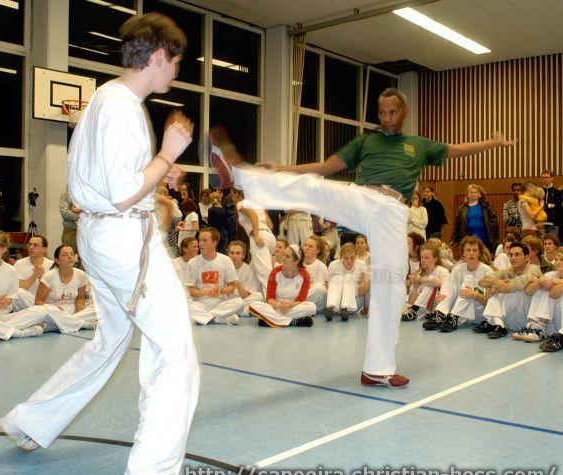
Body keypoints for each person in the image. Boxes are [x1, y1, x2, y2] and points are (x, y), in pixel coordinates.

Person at [0, 13, 200, 475]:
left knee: (110, 340)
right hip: (125, 239)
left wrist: (158, 171)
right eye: (175, 62)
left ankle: (31, 421)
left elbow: (114, 180)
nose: (176, 71)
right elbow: (124, 192)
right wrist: (167, 154)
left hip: (101, 235)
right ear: (158, 56)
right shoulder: (123, 108)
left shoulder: (103, 100)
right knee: (174, 353)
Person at [211, 87, 514, 387]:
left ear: (404, 112)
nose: (387, 118)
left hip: (392, 211)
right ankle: (241, 175)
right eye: (382, 113)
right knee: (316, 188)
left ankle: (377, 369)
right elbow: (325, 167)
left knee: (390, 286)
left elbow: (455, 149)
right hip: (362, 198)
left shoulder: (418, 145)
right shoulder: (367, 141)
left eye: (392, 112)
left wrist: (492, 143)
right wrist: (281, 168)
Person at [422, 236, 493, 332]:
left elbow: (491, 301)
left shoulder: (487, 271)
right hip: (460, 311)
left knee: (469, 280)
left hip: (479, 312)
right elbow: (452, 293)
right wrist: (443, 297)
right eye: (468, 250)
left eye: (475, 250)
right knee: (448, 279)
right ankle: (440, 313)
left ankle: (453, 317)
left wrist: (475, 294)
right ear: (463, 253)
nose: (471, 253)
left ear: (479, 253)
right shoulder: (457, 270)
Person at [476, 242, 541, 339]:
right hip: (509, 319)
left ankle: (495, 323)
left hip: (528, 319)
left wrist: (493, 289)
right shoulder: (507, 271)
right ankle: (499, 325)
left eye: (517, 254)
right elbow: (481, 282)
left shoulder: (533, 269)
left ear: (527, 257)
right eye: (511, 255)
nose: (513, 258)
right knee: (490, 291)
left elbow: (517, 284)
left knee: (515, 290)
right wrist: (495, 282)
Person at [186, 227, 244, 325]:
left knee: (240, 302)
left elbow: (232, 287)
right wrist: (207, 292)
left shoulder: (226, 260)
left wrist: (221, 290)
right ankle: (219, 319)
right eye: (200, 240)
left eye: (205, 240)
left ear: (214, 243)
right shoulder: (192, 262)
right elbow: (191, 291)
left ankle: (206, 318)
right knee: (185, 304)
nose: (201, 244)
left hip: (221, 303)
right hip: (201, 304)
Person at [249, 244, 316, 327]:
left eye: (287, 256)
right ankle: (292, 321)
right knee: (253, 305)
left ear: (297, 261)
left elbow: (301, 300)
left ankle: (272, 319)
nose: (283, 258)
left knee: (312, 307)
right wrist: (279, 306)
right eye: (284, 254)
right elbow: (269, 298)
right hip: (276, 307)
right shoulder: (275, 272)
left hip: (292, 307)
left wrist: (289, 305)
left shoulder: (305, 275)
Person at [36, 245, 97, 333]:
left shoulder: (81, 274)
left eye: (72, 254)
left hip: (73, 312)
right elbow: (38, 301)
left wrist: (79, 308)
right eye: (65, 255)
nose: (70, 257)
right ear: (57, 260)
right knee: (44, 310)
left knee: (96, 309)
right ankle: (82, 324)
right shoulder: (49, 276)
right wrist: (54, 307)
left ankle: (59, 325)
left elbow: (80, 298)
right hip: (55, 312)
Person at [232, 187, 276, 293]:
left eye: (232, 195)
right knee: (253, 270)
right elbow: (270, 225)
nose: (232, 197)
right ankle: (253, 294)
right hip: (269, 236)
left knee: (264, 273)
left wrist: (256, 235)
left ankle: (271, 301)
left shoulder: (241, 203)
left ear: (237, 194)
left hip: (259, 236)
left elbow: (254, 216)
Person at [401, 243, 450, 321]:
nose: (423, 260)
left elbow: (442, 283)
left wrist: (422, 280)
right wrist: (415, 287)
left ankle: (415, 311)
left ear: (435, 259)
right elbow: (411, 302)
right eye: (422, 257)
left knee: (431, 280)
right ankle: (414, 312)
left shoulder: (442, 271)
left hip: (439, 306)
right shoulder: (419, 274)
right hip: (423, 310)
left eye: (427, 258)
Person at [325, 242, 369, 321]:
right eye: (346, 258)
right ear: (341, 257)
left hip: (354, 300)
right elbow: (328, 286)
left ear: (356, 256)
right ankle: (331, 307)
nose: (349, 261)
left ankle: (345, 308)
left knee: (348, 277)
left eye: (352, 258)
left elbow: (362, 289)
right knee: (337, 278)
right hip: (337, 301)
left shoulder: (361, 264)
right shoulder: (333, 264)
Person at [451, 184, 499, 253]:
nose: (473, 194)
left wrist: (495, 236)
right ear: (467, 195)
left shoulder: (486, 207)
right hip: (468, 240)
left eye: (475, 192)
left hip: (485, 240)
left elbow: (494, 222)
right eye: (471, 192)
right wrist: (454, 239)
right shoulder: (461, 209)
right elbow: (457, 225)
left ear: (479, 194)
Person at [13, 235, 54, 310]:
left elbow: (54, 290)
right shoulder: (19, 263)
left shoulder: (52, 265)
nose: (31, 247)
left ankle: (43, 310)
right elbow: (18, 289)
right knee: (18, 292)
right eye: (29, 244)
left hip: (44, 301)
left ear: (44, 249)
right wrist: (34, 276)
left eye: (35, 245)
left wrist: (42, 278)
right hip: (26, 303)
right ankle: (45, 310)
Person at [227, 240, 264, 313]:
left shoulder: (249, 270)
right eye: (232, 253)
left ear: (243, 255)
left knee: (259, 296)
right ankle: (239, 311)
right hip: (227, 301)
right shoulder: (223, 267)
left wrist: (238, 283)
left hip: (242, 300)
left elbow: (245, 295)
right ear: (228, 254)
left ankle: (233, 311)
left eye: (238, 253)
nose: (234, 256)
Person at [302, 235, 329, 313]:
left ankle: (296, 305)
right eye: (306, 245)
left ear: (317, 251)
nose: (306, 248)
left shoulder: (321, 267)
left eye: (310, 246)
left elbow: (322, 290)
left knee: (319, 288)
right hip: (303, 300)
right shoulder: (298, 264)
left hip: (318, 302)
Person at [541, 169, 562, 237]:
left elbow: (558, 207)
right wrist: (550, 205)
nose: (545, 179)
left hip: (553, 223)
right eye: (543, 178)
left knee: (552, 241)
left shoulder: (557, 192)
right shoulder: (539, 192)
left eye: (547, 177)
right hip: (541, 224)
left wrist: (545, 206)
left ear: (551, 178)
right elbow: (538, 206)